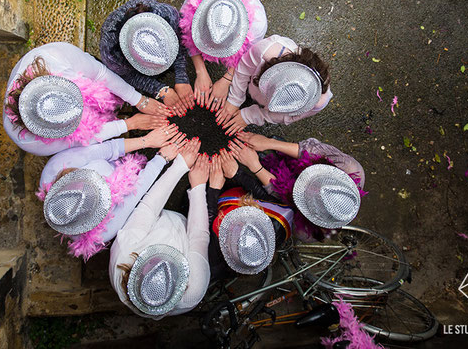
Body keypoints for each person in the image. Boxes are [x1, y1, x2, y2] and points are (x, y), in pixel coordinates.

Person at [37, 125, 187, 260]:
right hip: (129, 181)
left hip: (121, 164)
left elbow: (106, 149)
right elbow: (136, 194)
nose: (100, 180)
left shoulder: (54, 169)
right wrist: (162, 158)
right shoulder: (103, 233)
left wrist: (147, 140)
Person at [4, 41, 169, 156]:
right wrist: (128, 124)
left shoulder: (54, 57)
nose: (81, 109)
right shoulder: (29, 143)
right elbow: (80, 141)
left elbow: (100, 73)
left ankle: (116, 103)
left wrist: (139, 100)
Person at [109, 139, 210, 319]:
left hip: (161, 220)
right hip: (184, 230)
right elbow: (198, 238)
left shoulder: (124, 252)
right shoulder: (194, 291)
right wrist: (199, 187)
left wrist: (180, 165)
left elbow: (148, 208)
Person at [229, 133, 365, 241]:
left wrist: (255, 166)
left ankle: (268, 163)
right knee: (291, 156)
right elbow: (309, 150)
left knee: (271, 189)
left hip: (287, 192)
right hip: (301, 168)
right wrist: (269, 143)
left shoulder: (303, 231)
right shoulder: (350, 168)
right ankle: (280, 155)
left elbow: (281, 194)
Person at [179, 0, 268, 111]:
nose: (212, 48)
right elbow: (187, 36)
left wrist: (227, 80)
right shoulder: (192, 6)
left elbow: (249, 56)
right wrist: (200, 70)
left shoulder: (257, 26)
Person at [215, 35, 332, 136]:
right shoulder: (266, 51)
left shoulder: (319, 102)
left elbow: (286, 117)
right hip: (254, 86)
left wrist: (250, 115)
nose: (270, 105)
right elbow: (244, 68)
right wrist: (235, 100)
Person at [206, 150, 293, 280]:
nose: (242, 224)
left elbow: (203, 225)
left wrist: (213, 188)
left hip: (212, 207)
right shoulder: (277, 225)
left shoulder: (214, 258)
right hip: (237, 196)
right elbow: (265, 198)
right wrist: (236, 174)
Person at [100, 0, 194, 116]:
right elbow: (127, 76)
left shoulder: (167, 15)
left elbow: (181, 40)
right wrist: (160, 90)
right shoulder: (112, 54)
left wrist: (181, 76)